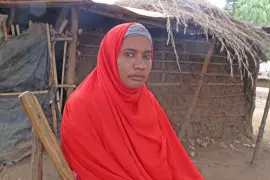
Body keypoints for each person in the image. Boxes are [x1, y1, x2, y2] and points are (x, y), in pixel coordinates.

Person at [60, 22, 204, 180]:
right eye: (129, 54)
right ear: (110, 56)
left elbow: (173, 159)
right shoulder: (82, 106)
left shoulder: (148, 100)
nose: (140, 65)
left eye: (146, 56)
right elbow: (94, 170)